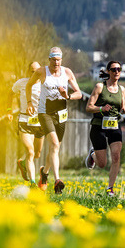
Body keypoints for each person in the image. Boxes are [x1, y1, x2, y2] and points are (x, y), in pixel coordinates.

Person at [27, 46, 83, 194]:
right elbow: (28, 85)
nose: (56, 63)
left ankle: (44, 173)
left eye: (58, 60)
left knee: (55, 148)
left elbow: (79, 93)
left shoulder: (67, 72)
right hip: (45, 113)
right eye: (53, 60)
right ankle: (57, 180)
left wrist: (67, 96)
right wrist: (29, 102)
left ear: (61, 60)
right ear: (49, 59)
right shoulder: (41, 72)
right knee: (53, 143)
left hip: (61, 114)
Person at [86, 60, 125, 196]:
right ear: (108, 72)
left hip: (114, 125)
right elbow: (88, 107)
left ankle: (110, 188)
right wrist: (101, 109)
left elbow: (121, 108)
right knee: (102, 164)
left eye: (119, 69)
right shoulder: (100, 87)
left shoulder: (122, 89)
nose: (116, 72)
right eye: (113, 69)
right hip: (99, 125)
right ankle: (92, 154)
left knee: (116, 156)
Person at [12, 61, 45, 184]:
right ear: (28, 71)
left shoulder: (44, 84)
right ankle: (32, 182)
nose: (34, 73)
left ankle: (23, 163)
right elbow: (10, 93)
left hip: (39, 122)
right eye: (32, 71)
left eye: (37, 71)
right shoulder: (21, 83)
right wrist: (9, 111)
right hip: (25, 120)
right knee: (30, 151)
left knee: (36, 154)